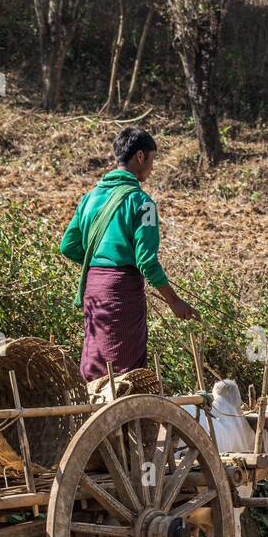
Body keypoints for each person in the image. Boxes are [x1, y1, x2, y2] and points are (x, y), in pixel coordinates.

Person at [59, 127, 199, 382]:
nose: (152, 168)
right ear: (141, 157)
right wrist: (174, 301)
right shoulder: (142, 203)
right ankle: (122, 420)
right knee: (125, 371)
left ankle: (92, 412)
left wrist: (101, 261)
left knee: (96, 363)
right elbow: (146, 260)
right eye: (153, 159)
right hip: (121, 292)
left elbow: (68, 246)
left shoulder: (89, 198)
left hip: (94, 287)